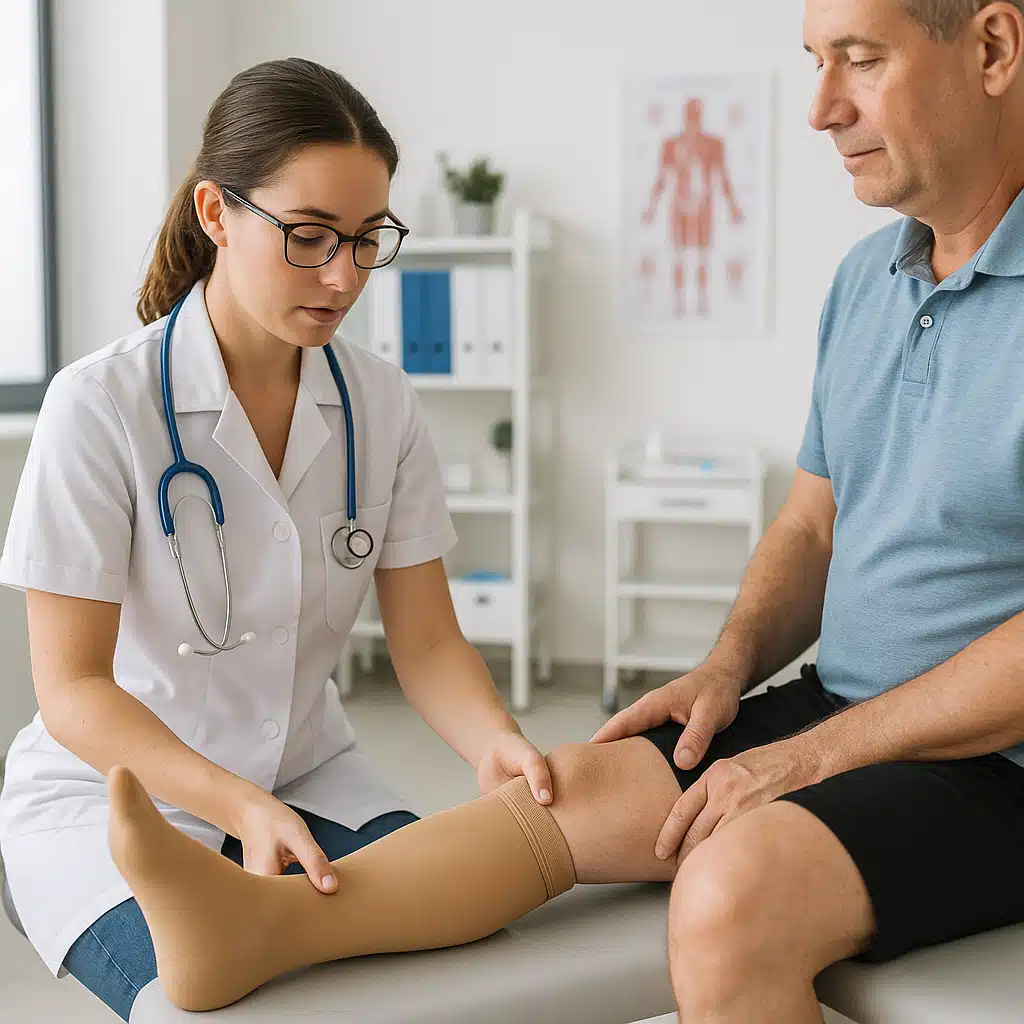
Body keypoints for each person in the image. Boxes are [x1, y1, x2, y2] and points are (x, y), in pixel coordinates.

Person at [90, 2, 1024, 1022]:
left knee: (731, 888)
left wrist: (812, 757)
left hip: (996, 764)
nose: (819, 108)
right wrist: (724, 668)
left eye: (859, 60)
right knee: (561, 789)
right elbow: (811, 528)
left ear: (990, 47)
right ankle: (250, 926)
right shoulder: (865, 283)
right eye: (814, 63)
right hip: (844, 709)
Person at [0, 57, 563, 1022]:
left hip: (307, 773)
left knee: (479, 923)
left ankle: (255, 918)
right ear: (216, 214)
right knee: (209, 1002)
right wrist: (234, 807)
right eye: (308, 237)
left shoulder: (379, 401)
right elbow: (74, 690)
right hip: (114, 800)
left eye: (365, 238)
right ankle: (225, 917)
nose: (343, 275)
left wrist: (496, 743)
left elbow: (426, 640)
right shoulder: (99, 407)